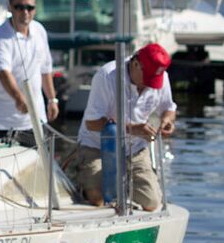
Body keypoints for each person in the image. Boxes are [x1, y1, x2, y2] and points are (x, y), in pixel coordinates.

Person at [75, 42, 176, 211]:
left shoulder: (161, 77)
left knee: (151, 203)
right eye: (148, 77)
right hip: (96, 146)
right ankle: (83, 182)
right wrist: (132, 128)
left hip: (135, 148)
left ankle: (126, 187)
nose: (149, 85)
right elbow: (92, 123)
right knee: (97, 198)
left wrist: (167, 121)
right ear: (135, 63)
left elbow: (169, 108)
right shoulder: (107, 76)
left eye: (154, 80)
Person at [0, 0, 59, 142]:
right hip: (0, 125)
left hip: (35, 122)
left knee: (40, 165)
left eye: (30, 8)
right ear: (10, 8)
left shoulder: (39, 30)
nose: (25, 12)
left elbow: (45, 69)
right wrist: (18, 98)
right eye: (19, 7)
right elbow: (3, 73)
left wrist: (52, 99)